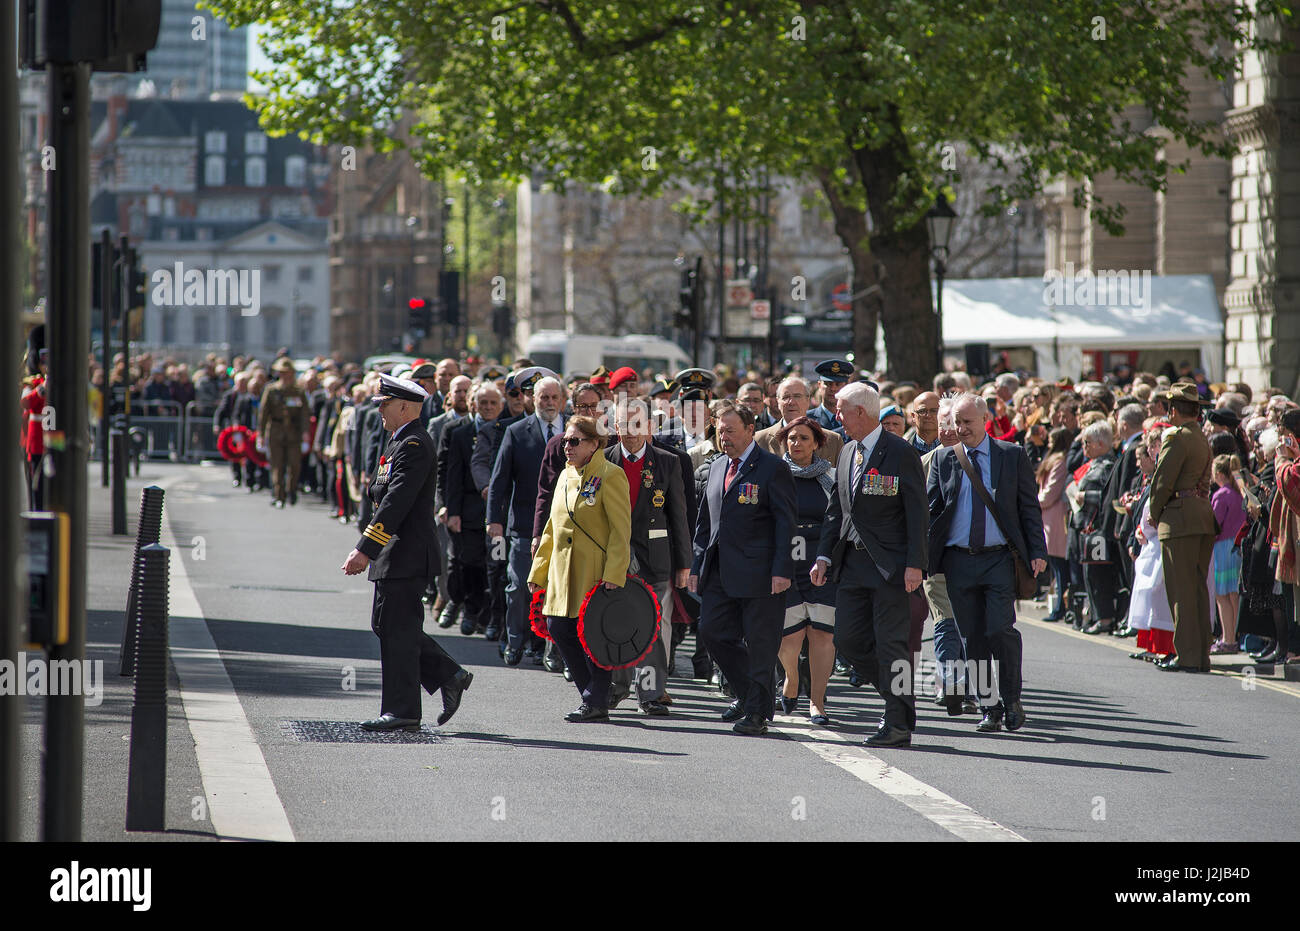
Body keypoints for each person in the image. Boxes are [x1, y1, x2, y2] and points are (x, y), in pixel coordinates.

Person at [341, 374, 472, 731]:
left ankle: (403, 710)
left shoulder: (413, 444)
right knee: (388, 625)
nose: (380, 410)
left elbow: (395, 502)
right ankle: (449, 675)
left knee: (397, 628)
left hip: (405, 552)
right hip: (395, 553)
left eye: (384, 404)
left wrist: (365, 548)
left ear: (403, 407)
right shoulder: (399, 441)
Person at [811, 382, 927, 746]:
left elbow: (917, 512)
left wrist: (915, 564)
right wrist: (823, 555)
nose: (837, 416)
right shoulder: (846, 452)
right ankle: (901, 701)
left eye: (842, 410)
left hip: (890, 567)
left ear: (861, 412)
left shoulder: (899, 451)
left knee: (891, 644)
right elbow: (837, 510)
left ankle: (896, 724)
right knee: (848, 640)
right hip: (852, 565)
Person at [926, 392, 1048, 733]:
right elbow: (932, 510)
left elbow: (1028, 507)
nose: (960, 428)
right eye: (956, 422)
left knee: (1000, 629)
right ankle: (988, 706)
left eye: (967, 422)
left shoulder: (1011, 455)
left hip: (998, 559)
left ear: (985, 421)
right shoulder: (944, 460)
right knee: (972, 638)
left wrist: (1037, 551)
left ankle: (1011, 698)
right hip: (957, 561)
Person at [690, 403, 796, 736]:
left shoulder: (772, 468)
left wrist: (782, 569)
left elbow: (785, 523)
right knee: (712, 633)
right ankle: (749, 694)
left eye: (731, 431)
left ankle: (755, 712)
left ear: (750, 430)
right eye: (720, 431)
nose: (724, 437)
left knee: (761, 644)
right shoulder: (717, 466)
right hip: (719, 569)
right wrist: (696, 564)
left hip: (761, 572)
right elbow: (705, 522)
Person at [528, 415, 632, 721]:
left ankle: (594, 700)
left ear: (594, 444)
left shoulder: (611, 475)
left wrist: (614, 573)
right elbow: (552, 528)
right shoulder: (564, 475)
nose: (567, 447)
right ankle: (594, 695)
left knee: (595, 637)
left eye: (574, 441)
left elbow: (620, 530)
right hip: (562, 572)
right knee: (560, 629)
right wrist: (538, 572)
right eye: (565, 442)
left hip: (594, 571)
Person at [605, 400, 692, 716]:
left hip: (655, 558)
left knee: (653, 626)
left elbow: (678, 516)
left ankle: (651, 693)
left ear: (649, 427)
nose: (630, 432)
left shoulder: (668, 462)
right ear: (615, 427)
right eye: (623, 425)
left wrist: (684, 564)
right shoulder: (603, 460)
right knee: (616, 623)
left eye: (637, 424)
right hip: (613, 559)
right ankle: (616, 688)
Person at [487, 372, 565, 665]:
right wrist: (493, 519)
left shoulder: (573, 430)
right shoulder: (517, 431)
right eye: (543, 397)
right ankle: (515, 641)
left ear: (562, 399)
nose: (549, 402)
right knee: (519, 586)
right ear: (532, 399)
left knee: (558, 590)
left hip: (564, 526)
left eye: (554, 397)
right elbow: (500, 480)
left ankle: (551, 649)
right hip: (523, 524)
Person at [1148, 384, 1217, 672]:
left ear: (1173, 410)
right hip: (1202, 515)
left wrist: (1154, 511)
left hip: (1180, 518)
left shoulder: (1176, 438)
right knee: (1198, 589)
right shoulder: (1201, 437)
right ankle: (1201, 655)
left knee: (1182, 591)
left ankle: (1188, 656)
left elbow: (1163, 481)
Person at [776, 416, 837, 725]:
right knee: (789, 638)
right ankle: (791, 678)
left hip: (821, 563)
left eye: (803, 438)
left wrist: (827, 556)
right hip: (785, 563)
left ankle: (817, 701)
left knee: (822, 634)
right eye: (791, 438)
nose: (796, 443)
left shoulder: (831, 477)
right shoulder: (774, 474)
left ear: (817, 444)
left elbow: (838, 519)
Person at [1124, 426, 1177, 662]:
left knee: (1159, 596)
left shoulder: (1169, 474)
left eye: (1154, 447)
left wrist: (1146, 527)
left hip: (1160, 540)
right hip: (1149, 541)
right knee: (1147, 595)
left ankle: (1164, 646)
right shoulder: (1155, 476)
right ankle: (1150, 644)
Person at [1069, 420, 1120, 634]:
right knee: (1090, 574)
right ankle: (1098, 616)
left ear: (1100, 444)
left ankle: (1105, 618)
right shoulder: (1093, 464)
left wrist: (1084, 496)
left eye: (1087, 443)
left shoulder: (1108, 466)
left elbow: (1108, 498)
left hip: (1097, 529)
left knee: (1098, 575)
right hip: (1088, 529)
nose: (1084, 447)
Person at [755, 375, 843, 463]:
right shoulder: (760, 440)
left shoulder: (833, 440)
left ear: (807, 400)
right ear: (778, 401)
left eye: (797, 396)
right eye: (786, 397)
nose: (791, 402)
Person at [1210, 454, 1248, 654]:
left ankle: (1228, 639)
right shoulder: (1238, 493)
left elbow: (1214, 525)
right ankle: (1234, 637)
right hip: (1238, 547)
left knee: (1222, 596)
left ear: (1217, 474)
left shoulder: (1220, 495)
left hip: (1223, 548)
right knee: (1234, 595)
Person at [259, 357, 308, 509]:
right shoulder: (272, 390)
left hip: (294, 432)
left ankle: (291, 490)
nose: (285, 375)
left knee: (294, 465)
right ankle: (278, 495)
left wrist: (306, 432)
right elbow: (263, 413)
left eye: (288, 372)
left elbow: (305, 413)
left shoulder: (299, 391)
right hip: (276, 431)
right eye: (282, 372)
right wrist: (260, 434)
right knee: (277, 465)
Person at [1035, 427, 1074, 622]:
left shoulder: (1060, 461)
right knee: (1056, 566)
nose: (1048, 442)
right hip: (1049, 515)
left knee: (1060, 567)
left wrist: (1033, 502)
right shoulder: (1055, 459)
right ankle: (1058, 606)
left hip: (1055, 516)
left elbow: (1051, 492)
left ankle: (1060, 608)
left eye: (1051, 440)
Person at [807, 359, 852, 436]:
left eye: (838, 384)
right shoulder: (807, 420)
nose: (833, 388)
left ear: (846, 386)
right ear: (819, 386)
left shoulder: (853, 419)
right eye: (828, 384)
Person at [905, 391, 941, 455]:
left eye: (933, 411)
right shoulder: (903, 449)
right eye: (922, 411)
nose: (928, 415)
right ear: (913, 416)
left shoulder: (952, 447)